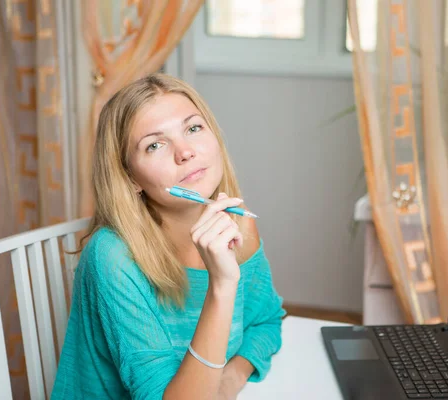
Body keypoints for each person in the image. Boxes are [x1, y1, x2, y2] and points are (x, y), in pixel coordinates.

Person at [52, 73, 286, 399]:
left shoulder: (240, 227)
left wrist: (231, 378)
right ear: (130, 178)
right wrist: (222, 284)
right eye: (155, 145)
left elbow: (265, 322)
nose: (185, 152)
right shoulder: (113, 257)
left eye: (193, 128)